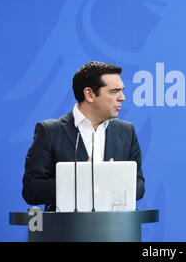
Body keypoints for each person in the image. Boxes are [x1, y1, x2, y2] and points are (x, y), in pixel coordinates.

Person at [22, 61, 145, 211]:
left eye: (122, 90)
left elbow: (139, 186)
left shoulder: (127, 131)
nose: (122, 97)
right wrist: (77, 181)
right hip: (68, 231)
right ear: (90, 94)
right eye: (114, 91)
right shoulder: (50, 131)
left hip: (116, 230)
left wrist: (114, 181)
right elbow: (31, 190)